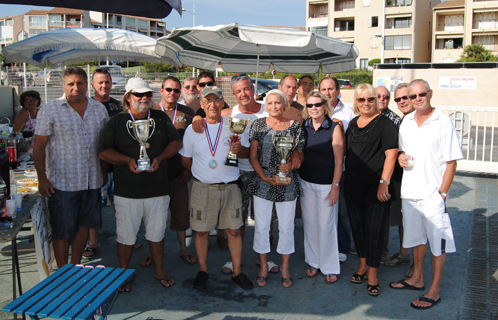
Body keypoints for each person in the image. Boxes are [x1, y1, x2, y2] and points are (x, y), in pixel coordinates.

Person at [97, 77, 182, 291]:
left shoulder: (160, 118)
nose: (144, 98)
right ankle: (123, 273)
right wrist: (126, 160)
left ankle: (159, 269)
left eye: (147, 94)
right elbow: (103, 150)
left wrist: (160, 158)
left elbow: (176, 142)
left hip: (157, 189)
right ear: (128, 98)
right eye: (138, 94)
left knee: (157, 233)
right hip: (127, 191)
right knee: (126, 235)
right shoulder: (117, 121)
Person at [390, 79, 463, 310]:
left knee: (437, 243)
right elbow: (403, 151)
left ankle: (434, 289)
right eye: (412, 96)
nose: (416, 99)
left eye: (421, 94)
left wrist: (442, 195)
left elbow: (451, 162)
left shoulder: (443, 121)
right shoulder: (407, 122)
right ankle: (417, 278)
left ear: (430, 94)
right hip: (410, 193)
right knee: (416, 238)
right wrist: (401, 158)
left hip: (433, 195)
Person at [179, 86, 254, 291]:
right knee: (201, 232)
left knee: (233, 231)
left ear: (223, 103)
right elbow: (185, 159)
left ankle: (237, 271)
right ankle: (203, 270)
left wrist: (240, 150)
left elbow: (246, 153)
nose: (212, 104)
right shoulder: (194, 128)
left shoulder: (234, 126)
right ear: (202, 105)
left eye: (216, 100)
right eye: (207, 101)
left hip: (230, 187)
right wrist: (200, 171)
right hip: (202, 188)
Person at [33, 66, 109, 268]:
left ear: (87, 85)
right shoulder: (49, 111)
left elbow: (103, 145)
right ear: (63, 86)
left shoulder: (99, 109)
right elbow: (39, 148)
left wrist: (102, 174)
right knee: (62, 229)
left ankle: (75, 266)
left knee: (84, 225)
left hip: (91, 181)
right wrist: (42, 178)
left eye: (80, 83)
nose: (76, 87)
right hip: (62, 183)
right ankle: (62, 270)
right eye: (71, 84)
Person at [344, 83, 398, 296]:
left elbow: (391, 156)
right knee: (358, 229)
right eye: (361, 99)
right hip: (353, 186)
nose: (365, 103)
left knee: (374, 231)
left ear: (376, 100)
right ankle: (363, 265)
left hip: (377, 188)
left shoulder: (386, 124)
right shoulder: (352, 124)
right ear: (356, 102)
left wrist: (383, 183)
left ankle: (373, 273)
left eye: (369, 99)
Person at [247, 89, 304, 288]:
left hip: (287, 182)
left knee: (287, 227)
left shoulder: (295, 126)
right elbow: (252, 156)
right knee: (262, 227)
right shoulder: (258, 125)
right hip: (263, 181)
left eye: (277, 103)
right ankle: (263, 265)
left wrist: (293, 162)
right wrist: (263, 176)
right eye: (270, 103)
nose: (274, 107)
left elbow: (300, 154)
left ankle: (285, 266)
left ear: (284, 105)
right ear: (266, 105)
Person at [139, 76, 198, 267]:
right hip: (154, 174)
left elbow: (193, 143)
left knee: (181, 214)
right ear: (161, 91)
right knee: (154, 216)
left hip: (179, 173)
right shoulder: (150, 111)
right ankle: (151, 251)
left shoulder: (188, 112)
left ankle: (183, 248)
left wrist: (188, 168)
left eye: (176, 90)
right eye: (169, 89)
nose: (172, 93)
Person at [299, 92, 344, 283]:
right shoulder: (304, 127)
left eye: (318, 104)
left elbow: (339, 160)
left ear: (325, 105)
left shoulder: (335, 128)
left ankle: (330, 266)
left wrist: (335, 186)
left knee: (326, 226)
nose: (314, 108)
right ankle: (314, 262)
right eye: (310, 105)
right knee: (309, 224)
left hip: (327, 185)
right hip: (306, 183)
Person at [83, 68, 125, 260]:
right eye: (100, 82)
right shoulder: (86, 106)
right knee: (94, 206)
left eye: (107, 82)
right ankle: (92, 243)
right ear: (92, 85)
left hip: (116, 166)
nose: (104, 86)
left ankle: (125, 239)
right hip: (95, 166)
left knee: (121, 205)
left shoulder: (118, 107)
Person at [319, 77, 355, 263]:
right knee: (321, 211)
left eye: (330, 89)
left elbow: (353, 143)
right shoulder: (315, 111)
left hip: (341, 170)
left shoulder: (348, 113)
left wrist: (340, 130)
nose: (327, 93)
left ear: (338, 90)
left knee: (341, 211)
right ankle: (322, 246)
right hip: (319, 172)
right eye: (324, 89)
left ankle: (342, 246)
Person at [384, 83, 415, 276]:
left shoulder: (417, 120)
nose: (402, 101)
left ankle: (416, 264)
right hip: (400, 179)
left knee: (416, 221)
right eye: (399, 99)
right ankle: (405, 253)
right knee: (404, 217)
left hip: (418, 181)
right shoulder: (402, 121)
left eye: (406, 97)